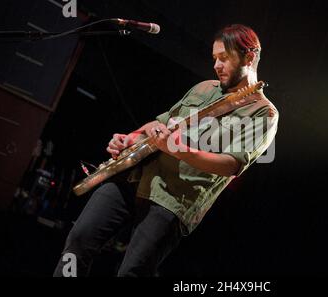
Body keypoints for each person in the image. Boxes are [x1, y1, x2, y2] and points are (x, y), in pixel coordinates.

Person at [53, 24, 279, 277]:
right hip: (133, 176)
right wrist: (131, 137)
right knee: (79, 241)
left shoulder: (263, 112)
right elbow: (161, 124)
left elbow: (232, 165)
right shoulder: (203, 88)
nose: (216, 65)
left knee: (132, 272)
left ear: (249, 56)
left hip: (173, 200)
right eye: (214, 58)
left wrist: (179, 150)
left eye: (224, 58)